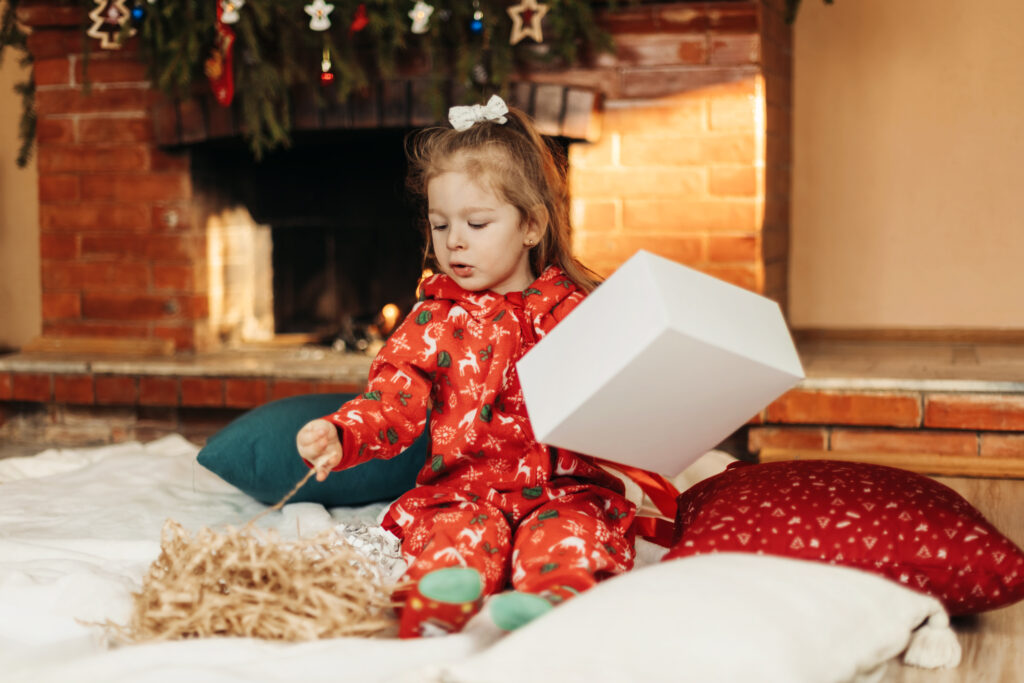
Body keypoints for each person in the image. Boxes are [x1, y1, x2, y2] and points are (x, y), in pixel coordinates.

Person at [296, 95, 637, 639]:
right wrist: (343, 433)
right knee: (456, 539)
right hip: (465, 494)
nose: (453, 240)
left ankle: (551, 602)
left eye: (476, 223)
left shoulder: (573, 310)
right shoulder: (433, 320)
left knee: (570, 536)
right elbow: (393, 400)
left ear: (531, 225)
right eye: (439, 225)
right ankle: (437, 604)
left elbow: (620, 396)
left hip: (565, 491)